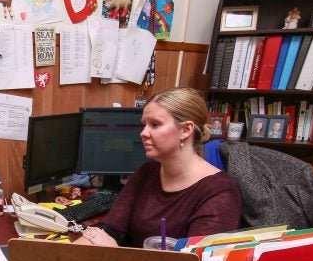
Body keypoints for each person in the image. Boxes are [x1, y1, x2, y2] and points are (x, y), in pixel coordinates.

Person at [75, 88, 242, 247]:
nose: (143, 133)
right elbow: (110, 230)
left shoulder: (220, 192)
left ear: (186, 129)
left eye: (155, 124)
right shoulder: (146, 173)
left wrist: (115, 251)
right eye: (144, 124)